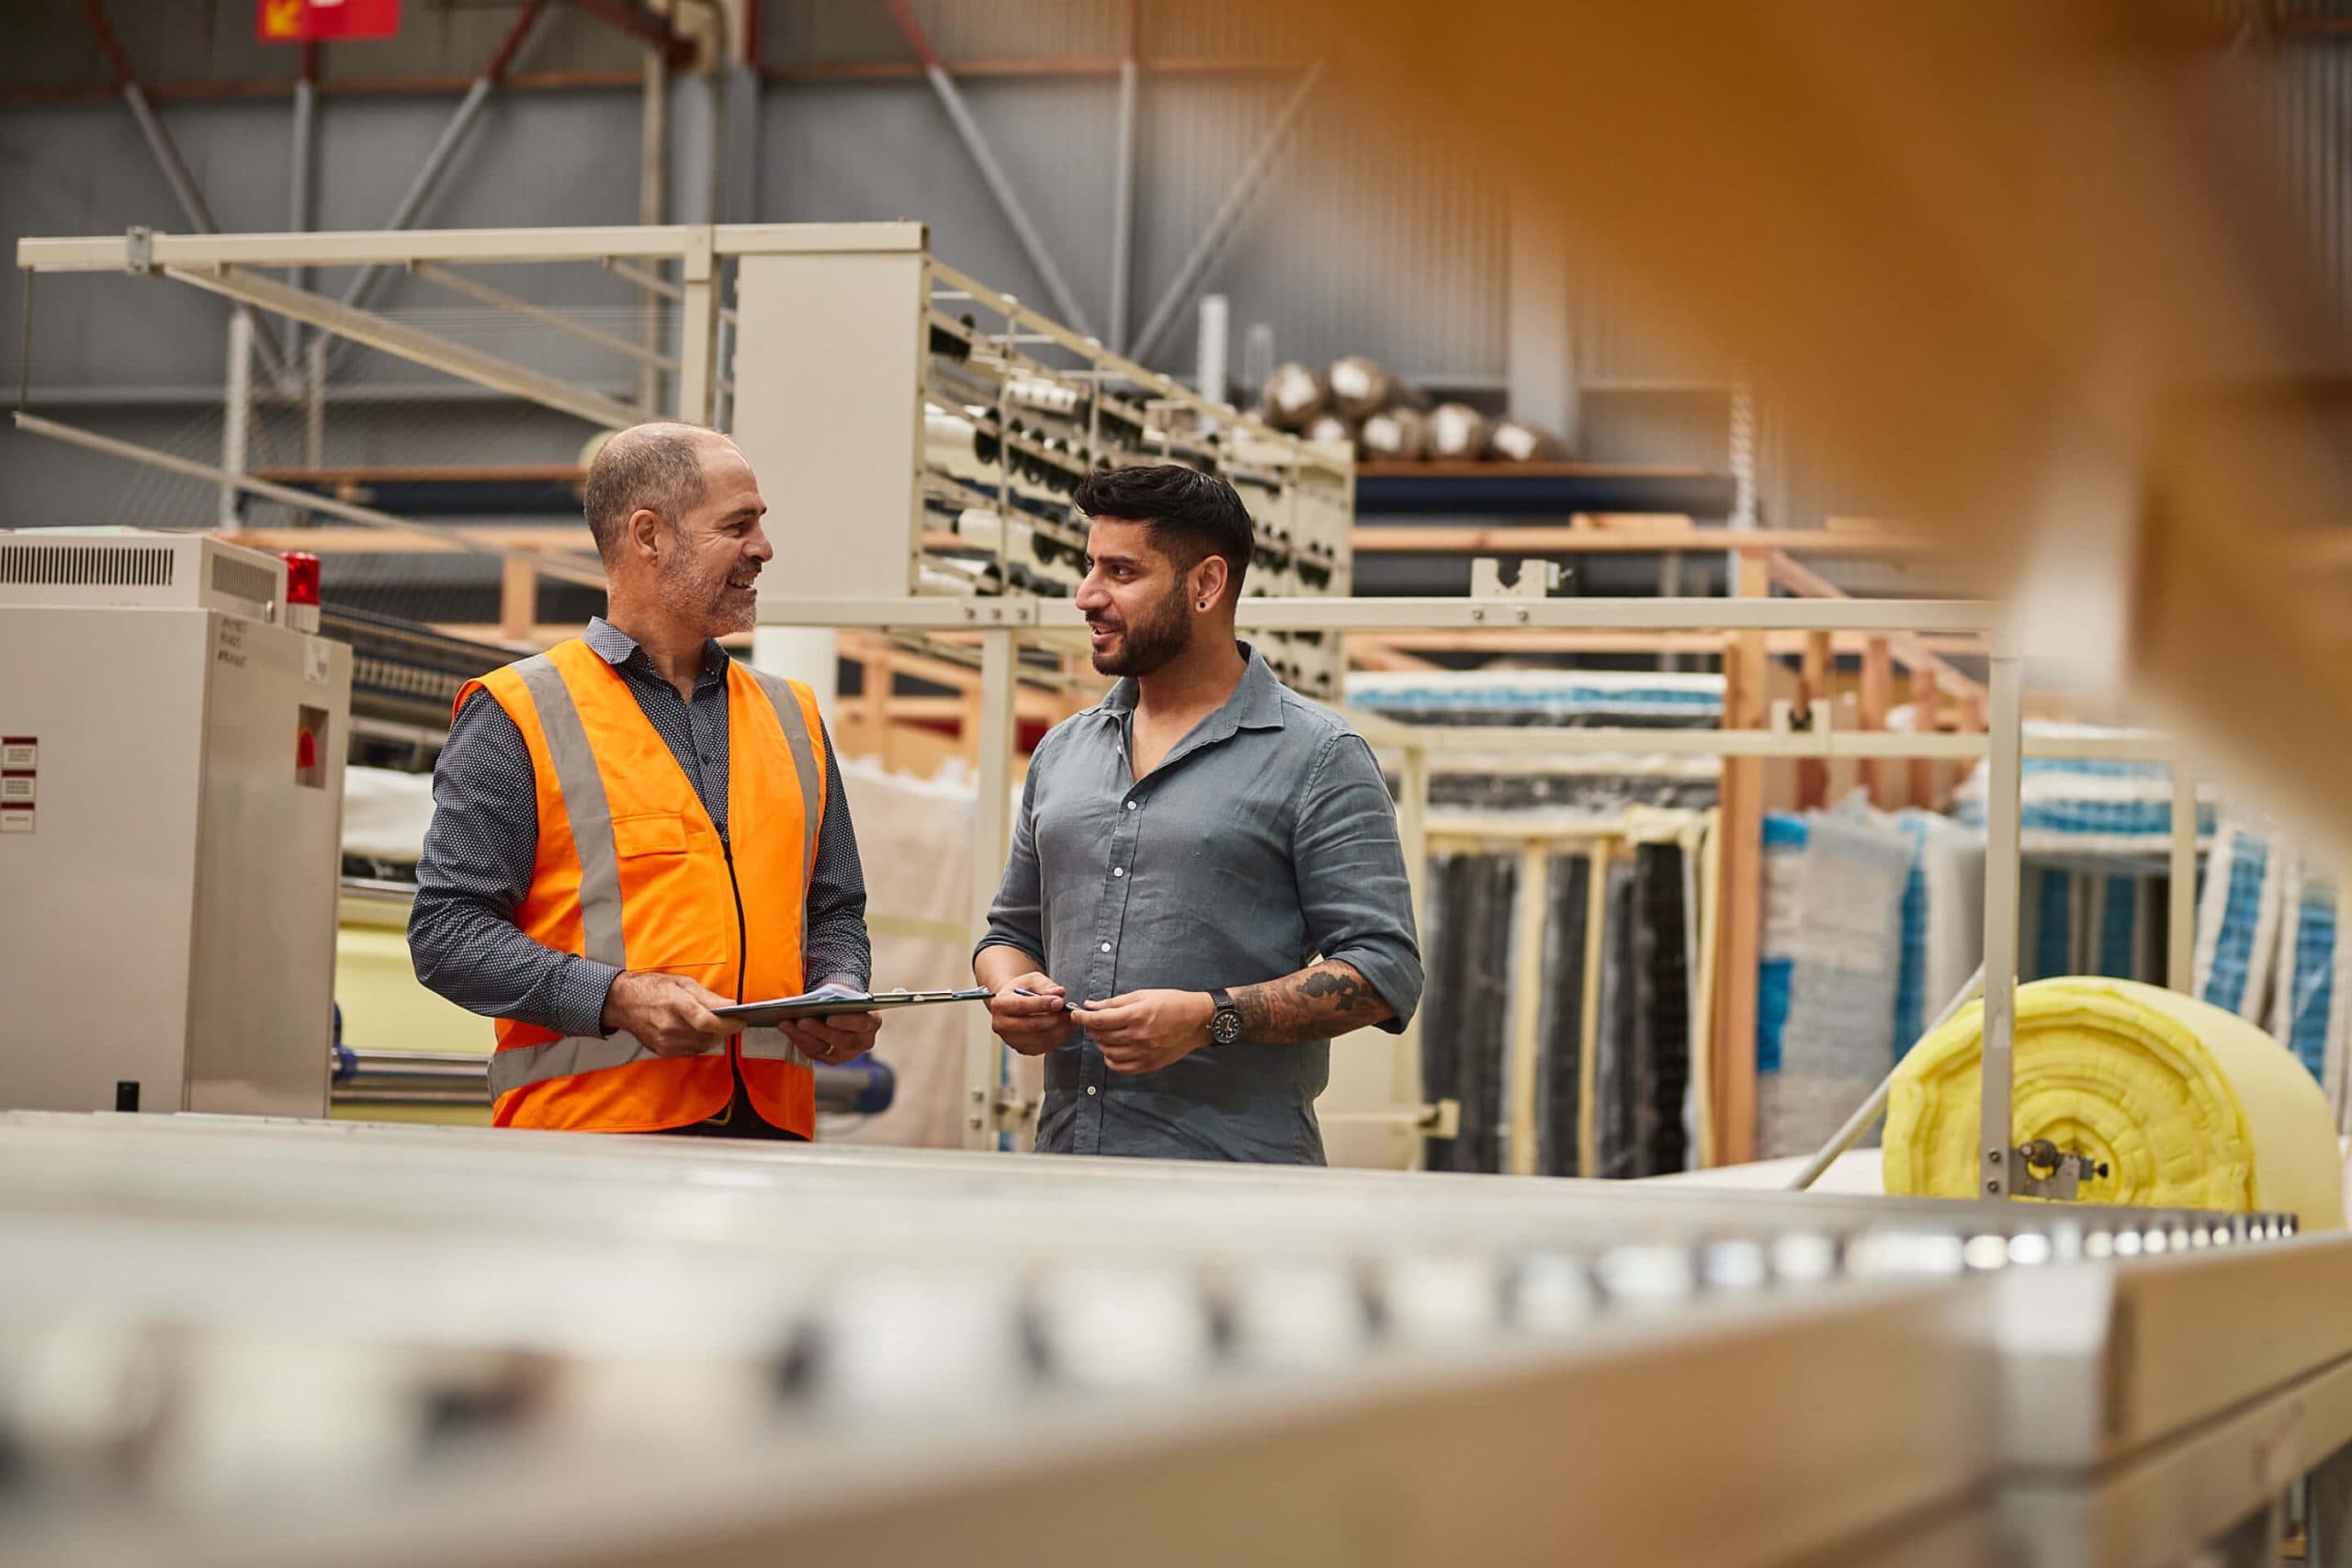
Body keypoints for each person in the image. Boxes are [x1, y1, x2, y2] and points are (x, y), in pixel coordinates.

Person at [411, 421, 876, 1139]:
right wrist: (616, 997)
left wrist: (839, 986)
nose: (764, 547)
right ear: (649, 535)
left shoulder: (797, 717)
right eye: (738, 524)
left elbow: (834, 909)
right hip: (589, 1140)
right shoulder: (518, 711)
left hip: (771, 1137)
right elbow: (448, 933)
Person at [974, 464, 1421, 1164]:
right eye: (1090, 566)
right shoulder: (1063, 752)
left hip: (1237, 1187)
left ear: (1206, 584)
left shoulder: (1319, 756)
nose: (1087, 595)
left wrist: (1210, 1018)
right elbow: (1008, 933)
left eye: (1121, 572)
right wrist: (1011, 989)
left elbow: (1384, 970)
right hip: (1064, 1174)